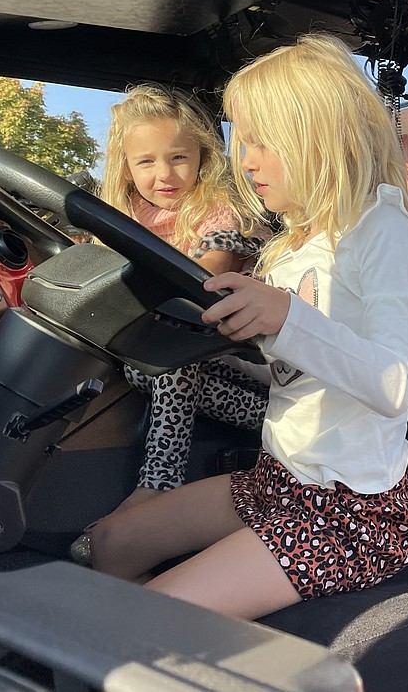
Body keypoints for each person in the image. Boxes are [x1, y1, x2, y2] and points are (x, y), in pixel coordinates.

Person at [88, 34, 408, 620]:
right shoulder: (293, 244)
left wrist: (288, 318)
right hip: (276, 480)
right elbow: (290, 368)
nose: (245, 160)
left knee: (146, 620)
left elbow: (395, 384)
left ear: (322, 139)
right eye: (241, 142)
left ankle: (143, 644)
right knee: (110, 541)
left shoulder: (383, 230)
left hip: (349, 512)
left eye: (262, 142)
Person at [70, 85, 270, 565]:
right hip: (161, 353)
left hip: (240, 352)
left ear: (202, 155)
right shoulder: (126, 215)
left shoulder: (219, 212)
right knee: (153, 365)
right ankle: (271, 427)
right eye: (146, 162)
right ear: (125, 165)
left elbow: (200, 287)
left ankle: (157, 485)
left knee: (170, 360)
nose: (163, 175)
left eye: (178, 157)